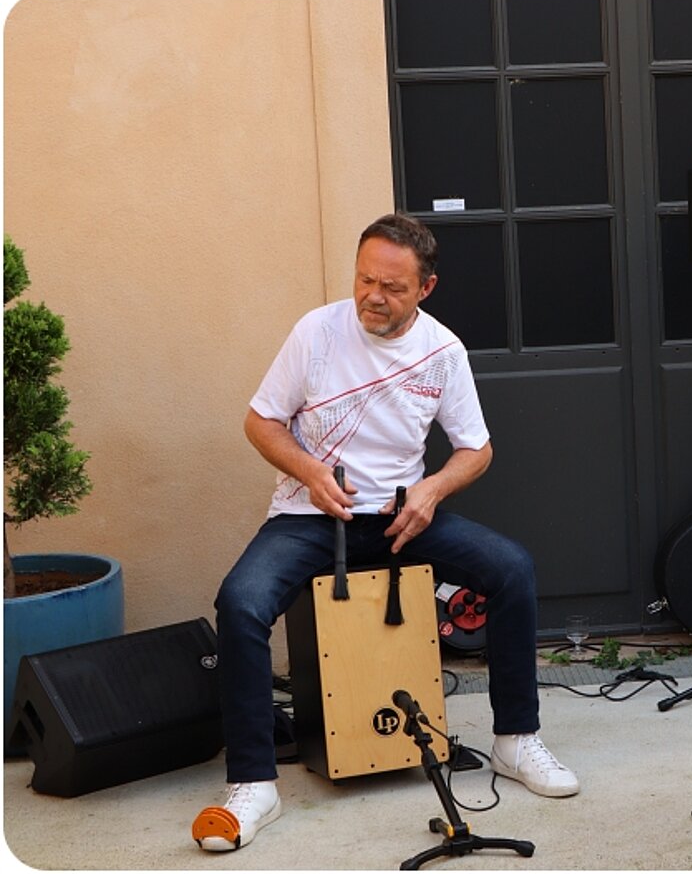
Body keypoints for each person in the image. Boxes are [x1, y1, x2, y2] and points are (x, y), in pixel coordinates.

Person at [193, 213, 579, 853]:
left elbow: (475, 449)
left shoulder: (443, 351)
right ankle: (253, 783)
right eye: (365, 279)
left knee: (511, 568)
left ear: (425, 288)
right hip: (312, 516)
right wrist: (311, 471)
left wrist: (432, 490)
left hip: (403, 515)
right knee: (240, 602)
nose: (373, 295)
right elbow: (261, 422)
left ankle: (516, 740)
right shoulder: (315, 333)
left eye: (392, 287)